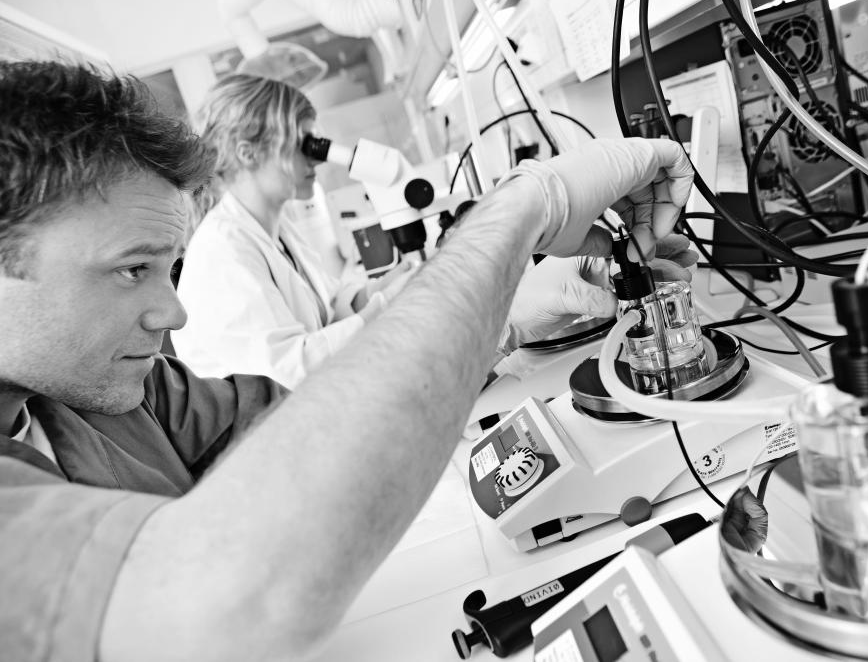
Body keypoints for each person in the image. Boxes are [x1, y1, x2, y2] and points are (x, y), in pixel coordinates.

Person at [0, 60, 695, 661]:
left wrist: (501, 320)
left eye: (165, 269)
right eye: (132, 270)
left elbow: (319, 427)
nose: (174, 314)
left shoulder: (114, 393)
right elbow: (222, 605)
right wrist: (516, 217)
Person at [171, 74, 413, 388]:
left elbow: (328, 307)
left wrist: (385, 287)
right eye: (303, 144)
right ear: (248, 153)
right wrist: (385, 305)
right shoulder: (221, 251)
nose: (317, 159)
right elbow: (289, 372)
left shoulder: (275, 227)